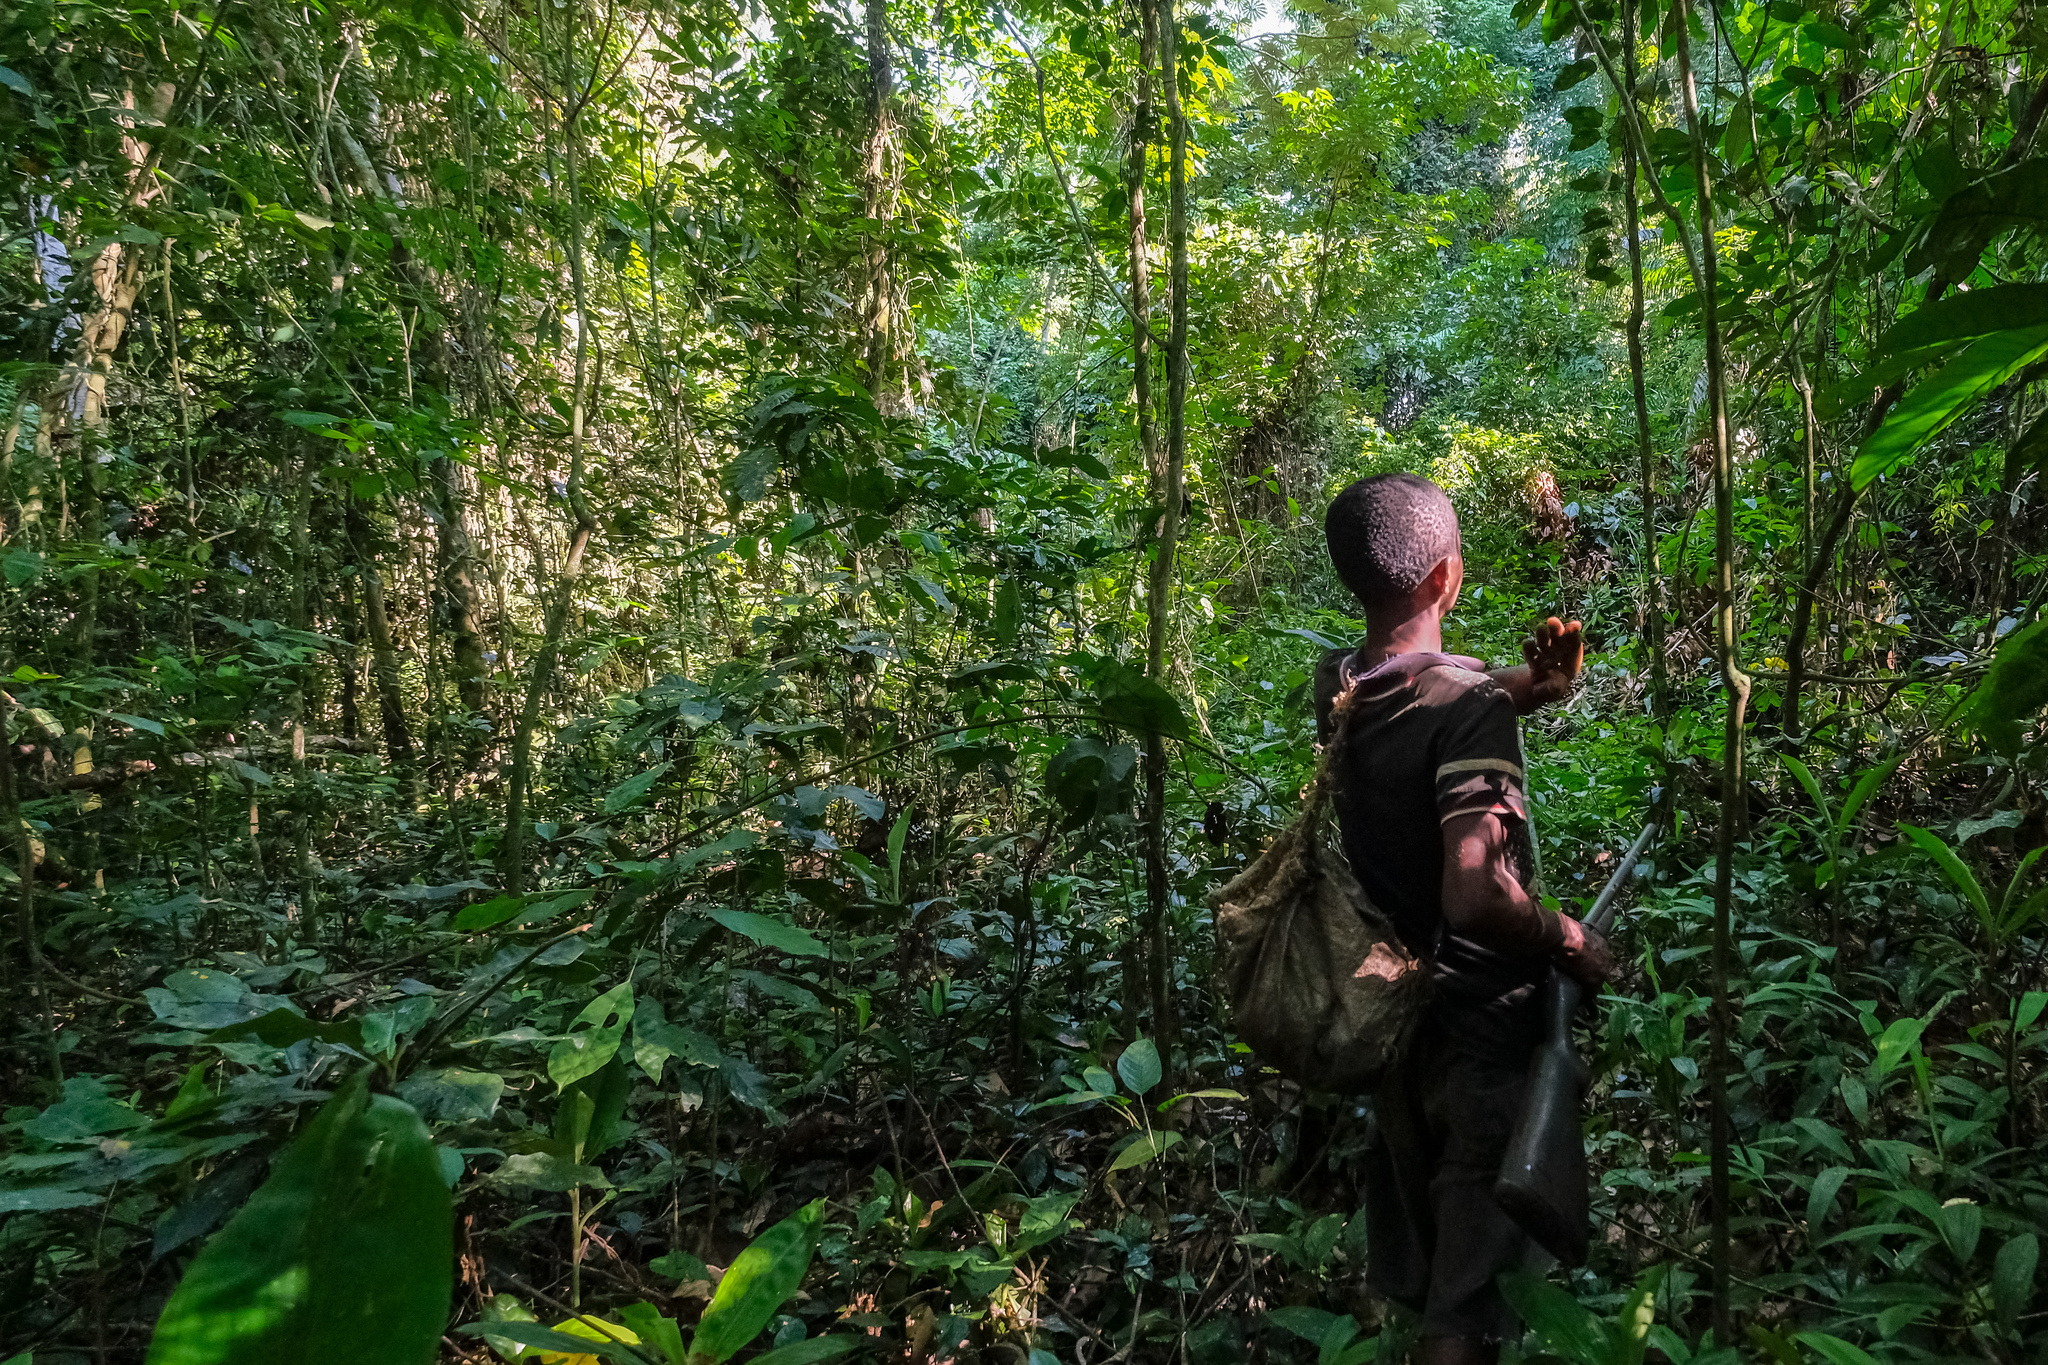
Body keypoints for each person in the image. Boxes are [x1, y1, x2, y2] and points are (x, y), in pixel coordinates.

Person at [1313, 473, 1616, 1365]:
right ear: (1447, 577)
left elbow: (1437, 685)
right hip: (1478, 1026)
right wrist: (1571, 938)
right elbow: (1474, 894)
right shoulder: (1466, 707)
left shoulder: (1337, 682)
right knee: (1471, 1300)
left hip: (1391, 1007)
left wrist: (1539, 686)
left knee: (1439, 1248)